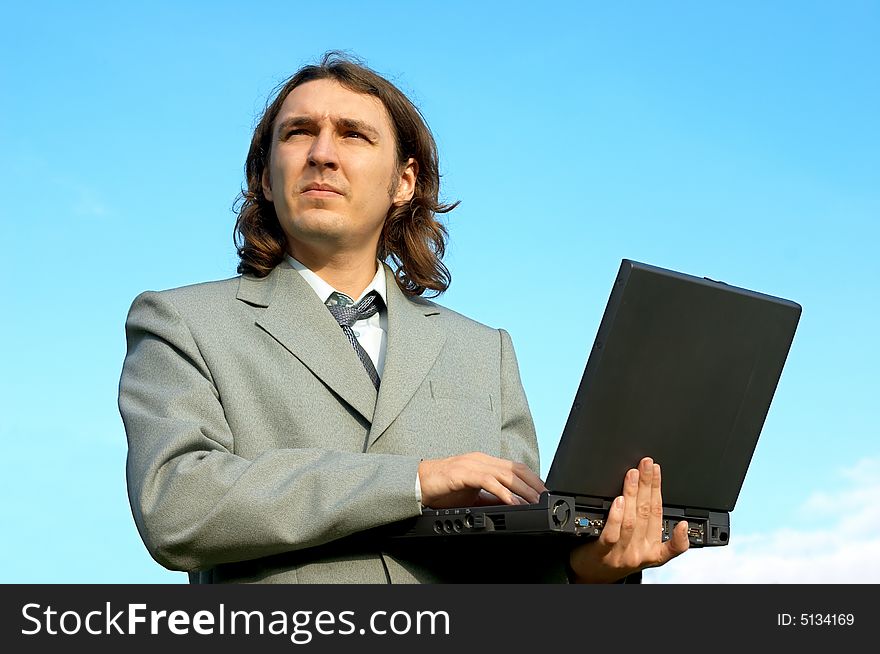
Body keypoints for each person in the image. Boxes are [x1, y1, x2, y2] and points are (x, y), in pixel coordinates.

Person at [118, 52, 690, 584]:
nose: (322, 153)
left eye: (353, 135)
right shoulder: (181, 321)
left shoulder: (484, 351)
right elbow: (176, 504)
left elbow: (517, 559)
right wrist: (413, 480)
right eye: (297, 133)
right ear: (266, 178)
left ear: (404, 182)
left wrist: (589, 569)